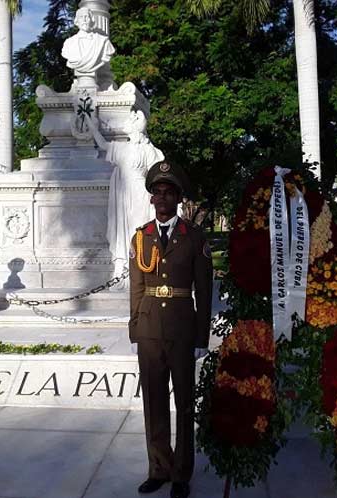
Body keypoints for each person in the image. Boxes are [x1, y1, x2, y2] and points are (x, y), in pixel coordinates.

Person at [129, 162, 213, 498]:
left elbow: (205, 292)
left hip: (182, 327)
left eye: (168, 192)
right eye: (157, 192)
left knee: (184, 400)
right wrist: (135, 327)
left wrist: (201, 337)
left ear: (178, 198)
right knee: (153, 400)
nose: (162, 198)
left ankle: (181, 473)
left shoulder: (193, 237)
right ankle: (158, 468)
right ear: (151, 199)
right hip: (149, 327)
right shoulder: (142, 236)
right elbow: (136, 287)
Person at [89, 111, 165, 288]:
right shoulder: (121, 148)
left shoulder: (147, 149)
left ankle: (144, 266)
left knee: (140, 229)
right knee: (122, 232)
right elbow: (102, 144)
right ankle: (123, 267)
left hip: (141, 193)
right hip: (123, 195)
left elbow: (158, 171)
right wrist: (92, 127)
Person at [61, 7, 115, 90]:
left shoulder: (103, 41)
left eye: (87, 17)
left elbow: (107, 55)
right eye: (81, 17)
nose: (84, 20)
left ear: (91, 20)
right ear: (77, 21)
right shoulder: (69, 43)